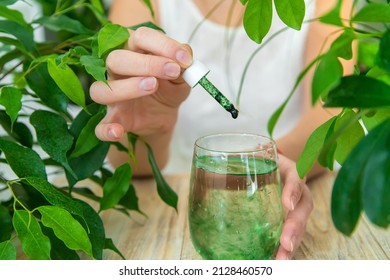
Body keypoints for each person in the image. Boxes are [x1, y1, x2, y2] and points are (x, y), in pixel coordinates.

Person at [90, 0, 354, 259]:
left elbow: (332, 115)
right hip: (178, 207)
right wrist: (152, 125)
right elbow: (134, 165)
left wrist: (273, 162)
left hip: (286, 182)